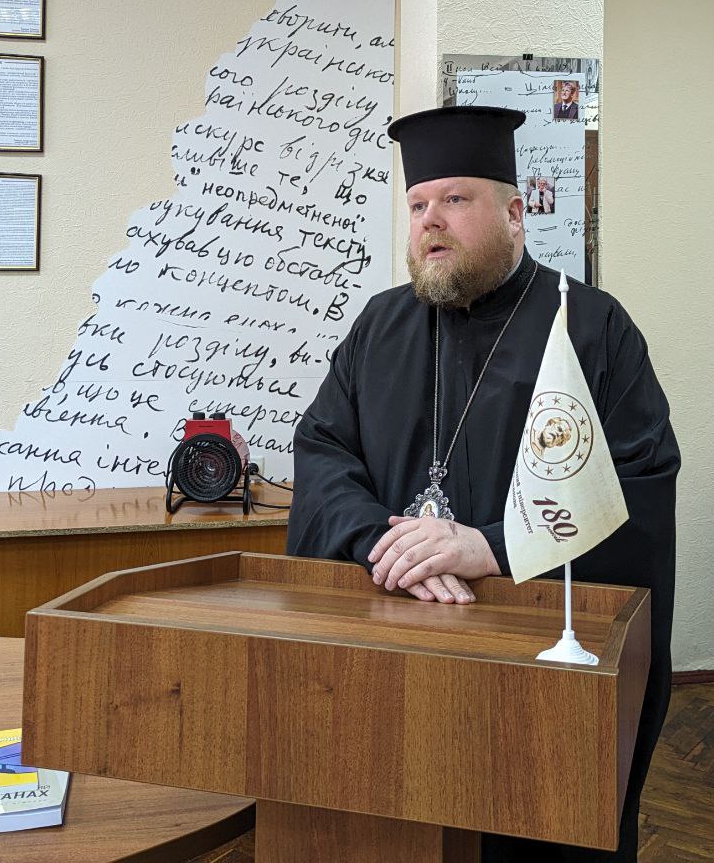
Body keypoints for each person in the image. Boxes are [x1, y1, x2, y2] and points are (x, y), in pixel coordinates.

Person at [287, 105, 679, 863]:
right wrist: (384, 545)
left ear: (514, 213)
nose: (430, 221)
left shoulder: (591, 327)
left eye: (454, 199)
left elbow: (638, 486)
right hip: (396, 643)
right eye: (417, 206)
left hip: (532, 656)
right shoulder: (378, 326)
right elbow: (323, 450)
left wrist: (493, 547)